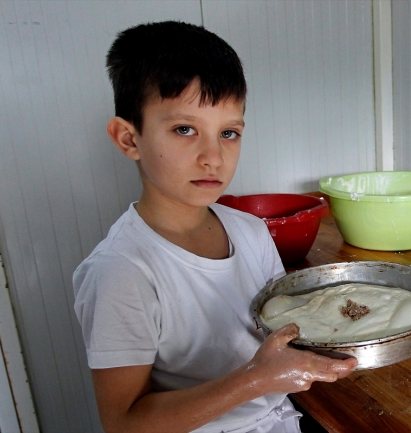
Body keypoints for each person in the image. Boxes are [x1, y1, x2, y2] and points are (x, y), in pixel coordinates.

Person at [73, 21, 357, 433]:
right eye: (184, 129)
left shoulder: (250, 232)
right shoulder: (121, 271)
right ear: (128, 139)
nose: (213, 156)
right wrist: (257, 379)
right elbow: (123, 422)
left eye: (229, 132)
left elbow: (284, 323)